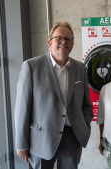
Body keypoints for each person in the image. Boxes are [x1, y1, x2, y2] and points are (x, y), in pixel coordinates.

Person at [14, 21, 93, 169]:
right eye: (59, 38)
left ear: (73, 43)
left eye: (68, 39)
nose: (64, 42)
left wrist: (85, 124)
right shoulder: (31, 67)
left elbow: (86, 104)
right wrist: (21, 144)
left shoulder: (80, 67)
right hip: (41, 138)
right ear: (50, 42)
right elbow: (22, 109)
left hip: (72, 135)